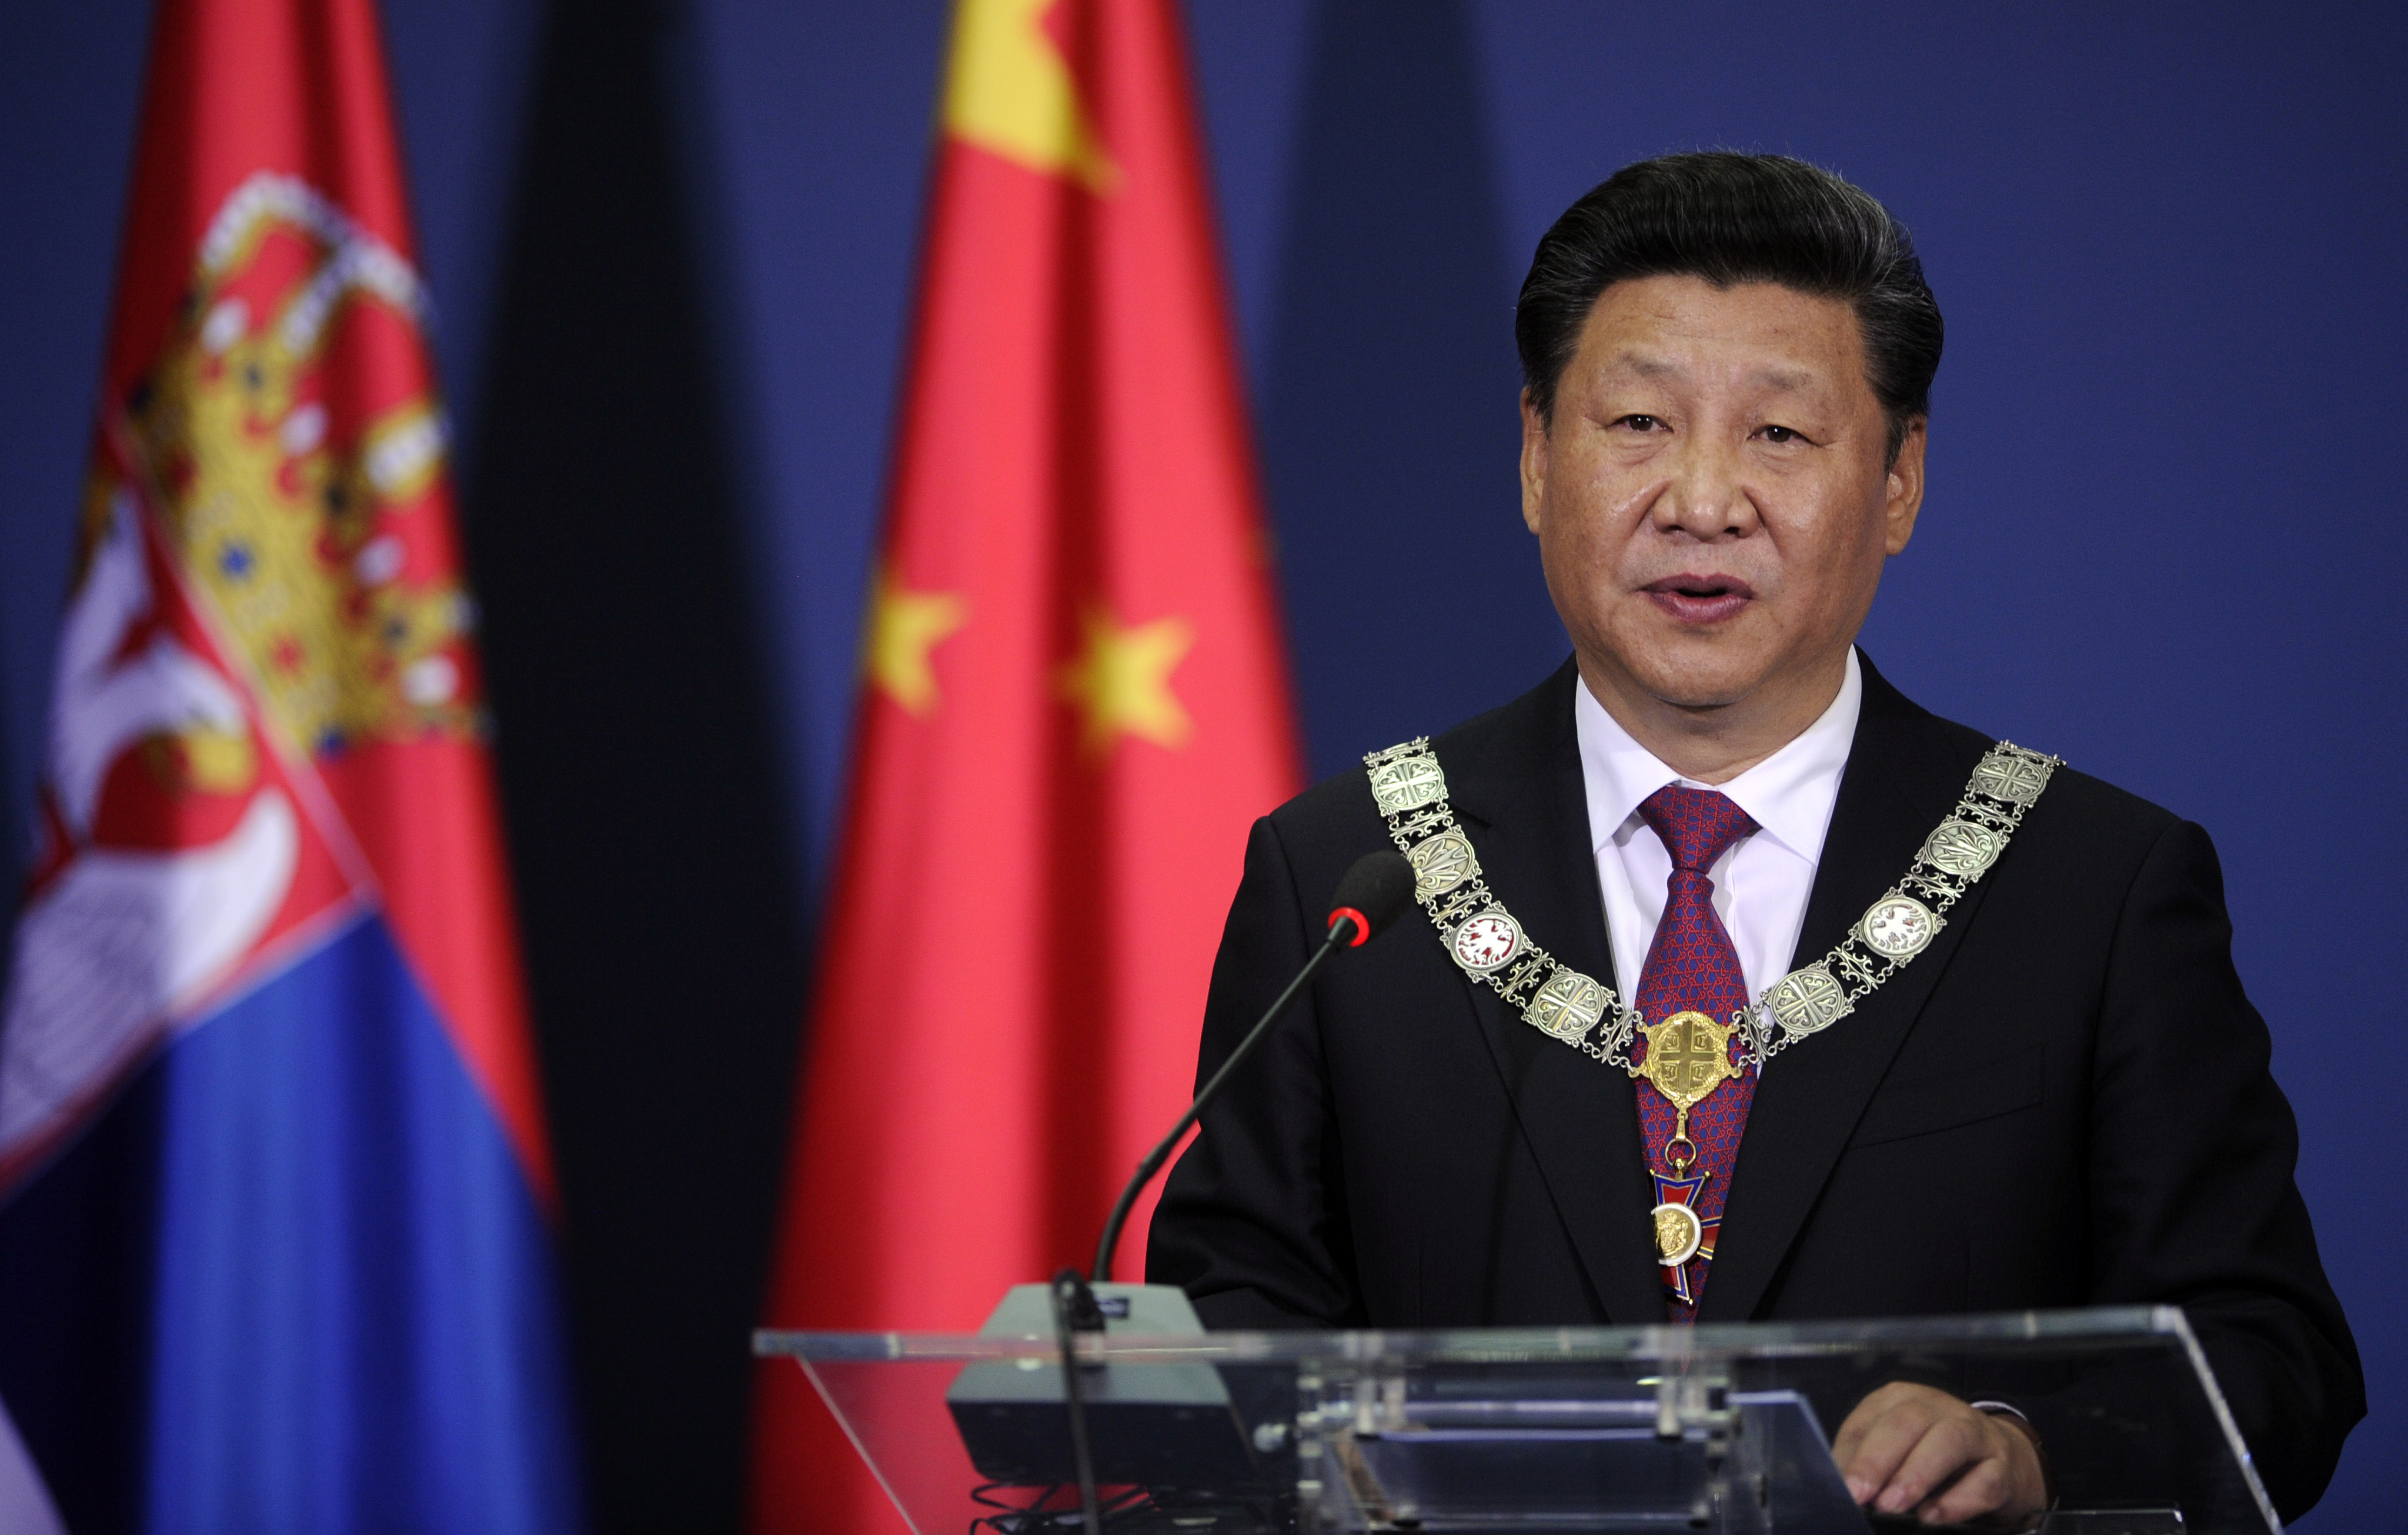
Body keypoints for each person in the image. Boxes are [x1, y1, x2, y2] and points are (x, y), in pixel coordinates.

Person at [1146, 153, 2362, 1526]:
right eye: (1638, 425)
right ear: (1537, 458)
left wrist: (2027, 1449)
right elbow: (1229, 1322)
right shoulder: (1348, 876)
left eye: (1778, 436)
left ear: (1899, 479)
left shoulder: (2087, 887)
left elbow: (2275, 1363)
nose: (1703, 500)